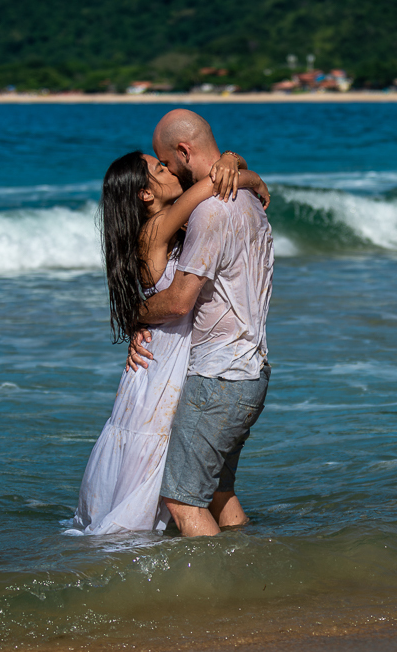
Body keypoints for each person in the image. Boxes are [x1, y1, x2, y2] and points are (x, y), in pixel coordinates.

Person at [69, 147, 268, 535]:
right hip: (163, 368)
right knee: (183, 491)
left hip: (169, 358)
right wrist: (248, 175)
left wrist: (232, 159)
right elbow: (214, 183)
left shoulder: (167, 227)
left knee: (195, 486)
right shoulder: (157, 229)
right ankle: (216, 573)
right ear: (146, 194)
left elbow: (214, 180)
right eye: (160, 168)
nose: (170, 169)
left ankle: (220, 565)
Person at [128, 109, 274, 537]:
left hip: (219, 376)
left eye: (166, 162)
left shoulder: (209, 212)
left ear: (183, 151)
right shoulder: (246, 201)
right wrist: (243, 169)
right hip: (250, 371)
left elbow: (178, 301)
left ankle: (222, 596)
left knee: (182, 499)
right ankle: (251, 572)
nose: (169, 170)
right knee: (217, 491)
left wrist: (131, 315)